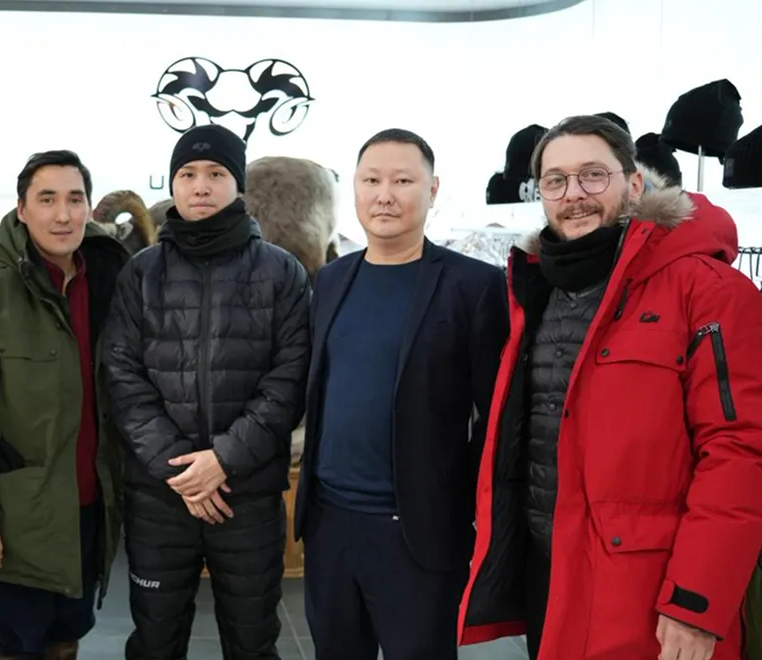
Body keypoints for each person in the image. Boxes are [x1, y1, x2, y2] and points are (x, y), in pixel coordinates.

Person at [458, 114, 762, 660]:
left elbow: (740, 451)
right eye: (556, 181)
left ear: (635, 183)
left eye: (593, 175)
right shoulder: (536, 289)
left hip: (650, 595)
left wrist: (697, 600)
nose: (574, 194)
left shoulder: (708, 289)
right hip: (552, 574)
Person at [292, 129, 508, 660]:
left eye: (403, 181)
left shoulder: (474, 286)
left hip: (417, 530)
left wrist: (464, 502)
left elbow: (496, 415)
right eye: (371, 180)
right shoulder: (332, 279)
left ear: (432, 191)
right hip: (330, 523)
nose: (384, 195)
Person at [102, 124, 311, 660]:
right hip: (159, 496)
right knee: (155, 640)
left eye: (216, 173)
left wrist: (223, 460)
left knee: (252, 640)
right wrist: (181, 470)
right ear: (173, 184)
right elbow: (122, 375)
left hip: (248, 494)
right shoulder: (140, 273)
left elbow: (290, 378)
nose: (201, 185)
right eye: (188, 174)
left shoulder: (281, 272)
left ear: (238, 185)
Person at [0, 150, 129, 660]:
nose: (63, 215)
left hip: (88, 506)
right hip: (20, 514)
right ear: (22, 209)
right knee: (16, 642)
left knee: (68, 632)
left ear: (89, 209)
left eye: (75, 199)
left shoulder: (109, 284)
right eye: (47, 199)